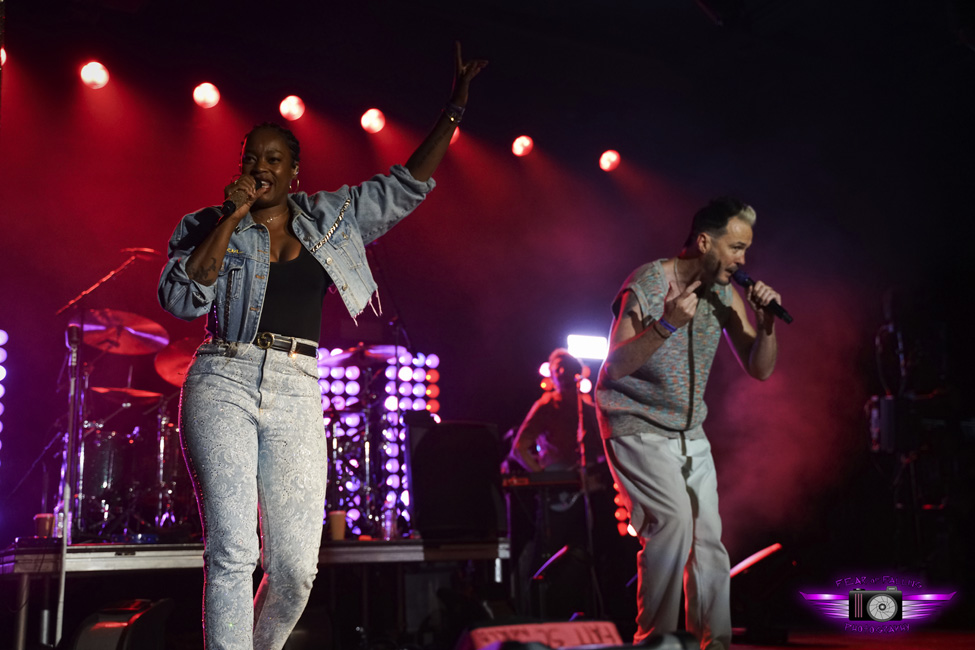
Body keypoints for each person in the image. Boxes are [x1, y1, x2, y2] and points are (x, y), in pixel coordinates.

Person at [157, 43, 486, 650]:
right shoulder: (207, 225)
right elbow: (182, 300)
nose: (262, 166)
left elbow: (407, 185)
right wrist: (232, 218)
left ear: (294, 172)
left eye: (275, 159)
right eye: (252, 157)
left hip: (296, 386)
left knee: (295, 570)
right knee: (233, 552)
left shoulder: (332, 217)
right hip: (223, 378)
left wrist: (454, 110)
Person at [594, 197, 783, 650]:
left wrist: (768, 324)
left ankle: (713, 644)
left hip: (688, 431)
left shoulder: (723, 293)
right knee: (674, 523)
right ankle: (654, 642)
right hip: (635, 422)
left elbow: (759, 369)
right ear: (704, 241)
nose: (743, 260)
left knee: (709, 539)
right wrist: (666, 325)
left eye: (746, 250)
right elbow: (612, 369)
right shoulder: (647, 284)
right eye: (736, 247)